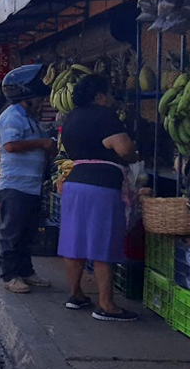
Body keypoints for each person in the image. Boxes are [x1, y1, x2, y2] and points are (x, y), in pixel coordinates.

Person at [58, 74, 138, 322]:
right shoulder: (105, 116)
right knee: (103, 243)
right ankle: (106, 305)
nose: (112, 99)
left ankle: (76, 294)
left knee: (75, 242)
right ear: (100, 96)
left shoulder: (70, 118)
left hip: (74, 184)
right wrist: (134, 154)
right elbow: (124, 149)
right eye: (109, 94)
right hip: (101, 186)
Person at [0, 64, 54, 294]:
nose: (41, 104)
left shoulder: (29, 118)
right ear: (26, 99)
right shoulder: (12, 117)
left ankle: (26, 272)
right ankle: (9, 275)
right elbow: (10, 146)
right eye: (38, 99)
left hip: (31, 186)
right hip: (15, 187)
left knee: (28, 233)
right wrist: (41, 143)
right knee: (12, 233)